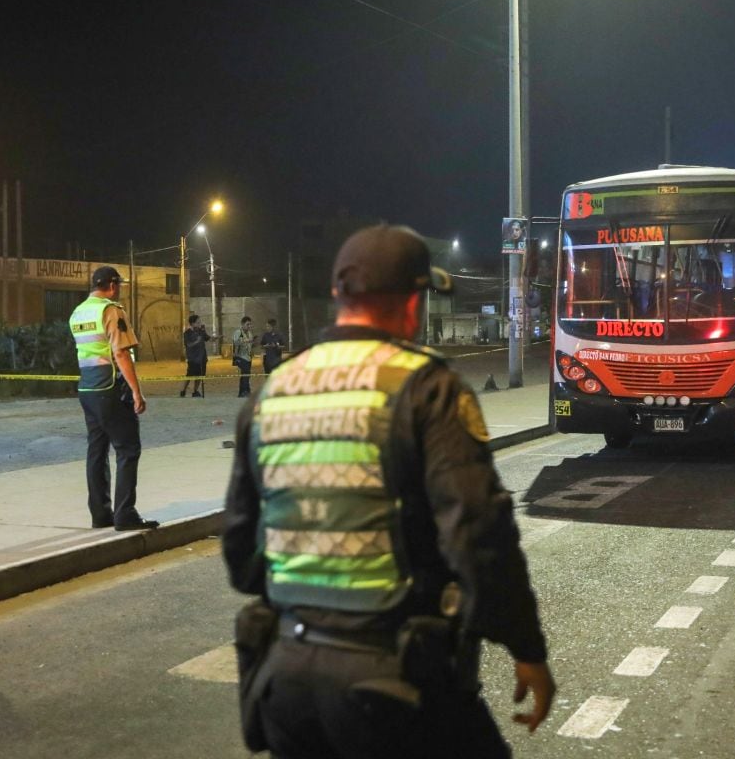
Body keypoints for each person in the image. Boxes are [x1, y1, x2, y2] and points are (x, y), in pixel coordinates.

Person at [222, 225, 555, 759]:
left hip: (286, 681)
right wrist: (526, 648)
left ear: (338, 297)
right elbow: (477, 531)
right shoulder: (425, 386)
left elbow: (241, 551)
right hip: (395, 684)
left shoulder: (274, 391)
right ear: (414, 302)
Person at [68, 266, 158, 531]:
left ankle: (101, 514)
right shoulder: (110, 310)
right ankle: (125, 514)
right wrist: (136, 391)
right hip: (110, 388)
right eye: (117, 284)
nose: (118, 289)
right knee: (128, 449)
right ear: (111, 285)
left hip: (87, 390)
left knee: (96, 451)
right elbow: (120, 354)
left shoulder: (78, 312)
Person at [180, 314, 211, 398]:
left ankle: (195, 391)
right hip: (193, 358)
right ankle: (183, 390)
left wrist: (216, 338)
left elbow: (207, 338)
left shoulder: (201, 331)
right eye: (198, 322)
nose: (200, 324)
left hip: (202, 357)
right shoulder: (187, 333)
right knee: (189, 375)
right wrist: (197, 341)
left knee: (200, 375)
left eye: (200, 322)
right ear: (192, 324)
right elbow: (188, 345)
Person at [232, 315, 254, 397]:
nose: (249, 326)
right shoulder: (238, 332)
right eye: (247, 324)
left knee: (246, 375)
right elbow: (236, 343)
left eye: (250, 324)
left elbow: (250, 345)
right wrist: (247, 341)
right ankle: (245, 391)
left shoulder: (250, 333)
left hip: (248, 357)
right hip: (240, 357)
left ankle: (242, 392)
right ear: (242, 324)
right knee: (245, 374)